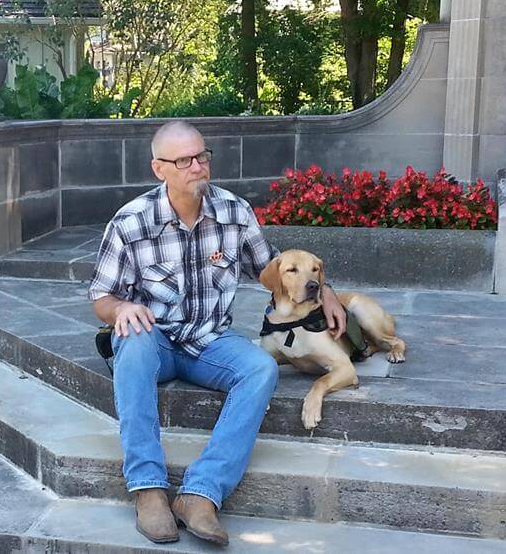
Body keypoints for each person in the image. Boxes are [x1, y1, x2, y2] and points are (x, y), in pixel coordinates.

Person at [88, 121, 345, 546]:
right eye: (184, 160)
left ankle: (200, 493)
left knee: (261, 368)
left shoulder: (234, 212)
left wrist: (327, 291)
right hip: (153, 338)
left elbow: (273, 269)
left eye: (202, 156)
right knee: (130, 344)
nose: (197, 166)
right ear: (160, 169)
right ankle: (148, 489)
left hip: (209, 342)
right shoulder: (131, 221)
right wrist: (122, 307)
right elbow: (101, 295)